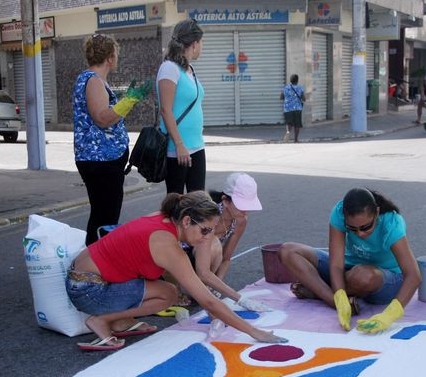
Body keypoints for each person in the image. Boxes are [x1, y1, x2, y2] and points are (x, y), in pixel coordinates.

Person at [66, 191, 286, 350]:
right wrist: (253, 331)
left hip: (85, 279)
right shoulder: (167, 244)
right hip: (88, 290)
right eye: (205, 230)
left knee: (170, 291)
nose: (207, 238)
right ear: (187, 220)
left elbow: (199, 281)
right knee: (169, 294)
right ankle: (101, 320)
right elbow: (207, 299)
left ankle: (121, 321)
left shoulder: (165, 217)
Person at [277, 188, 421, 334]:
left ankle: (319, 292)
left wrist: (390, 315)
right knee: (288, 251)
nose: (360, 233)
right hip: (349, 270)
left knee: (362, 275)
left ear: (376, 213)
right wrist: (339, 296)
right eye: (352, 228)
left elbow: (414, 275)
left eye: (366, 227)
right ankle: (336, 301)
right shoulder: (339, 213)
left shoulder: (391, 223)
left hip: (384, 280)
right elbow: (336, 264)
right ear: (345, 217)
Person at [73, 34, 150, 245]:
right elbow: (102, 118)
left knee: (103, 214)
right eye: (116, 53)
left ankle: (94, 265)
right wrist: (130, 100)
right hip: (100, 161)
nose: (117, 58)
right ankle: (94, 266)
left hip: (102, 160)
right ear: (109, 57)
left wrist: (127, 101)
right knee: (104, 217)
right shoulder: (93, 81)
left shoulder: (94, 80)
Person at [182, 173, 268, 310]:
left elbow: (226, 258)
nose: (245, 211)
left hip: (203, 261)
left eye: (248, 205)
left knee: (216, 248)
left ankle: (204, 286)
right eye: (241, 205)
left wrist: (218, 283)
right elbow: (202, 268)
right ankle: (191, 287)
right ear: (226, 201)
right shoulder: (211, 214)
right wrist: (240, 299)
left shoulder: (240, 220)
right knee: (214, 243)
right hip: (183, 258)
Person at [157, 19, 206, 194]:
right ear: (194, 44)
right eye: (201, 43)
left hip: (197, 146)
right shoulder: (169, 68)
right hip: (178, 148)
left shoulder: (189, 69)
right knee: (176, 204)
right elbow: (166, 109)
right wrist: (179, 144)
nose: (201, 47)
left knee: (198, 203)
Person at [280, 74, 305, 142]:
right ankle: (296, 139)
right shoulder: (300, 88)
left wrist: (288, 98)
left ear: (290, 80)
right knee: (297, 124)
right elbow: (304, 98)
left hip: (287, 108)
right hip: (297, 108)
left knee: (289, 122)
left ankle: (288, 131)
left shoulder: (286, 88)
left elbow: (281, 97)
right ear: (297, 80)